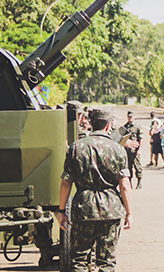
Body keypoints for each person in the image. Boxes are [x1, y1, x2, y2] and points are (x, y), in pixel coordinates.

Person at [57, 108, 132, 272]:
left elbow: (65, 183)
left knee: (78, 260)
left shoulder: (76, 148)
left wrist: (61, 211)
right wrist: (129, 212)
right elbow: (125, 185)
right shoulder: (118, 149)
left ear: (91, 123)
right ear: (109, 126)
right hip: (111, 209)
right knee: (107, 261)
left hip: (83, 209)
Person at [120, 111, 143, 189]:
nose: (130, 118)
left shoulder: (137, 126)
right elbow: (121, 139)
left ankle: (139, 181)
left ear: (134, 117)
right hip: (127, 151)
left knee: (137, 166)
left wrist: (139, 149)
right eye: (129, 116)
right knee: (128, 167)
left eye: (132, 116)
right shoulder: (125, 127)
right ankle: (129, 183)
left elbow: (141, 139)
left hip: (135, 150)